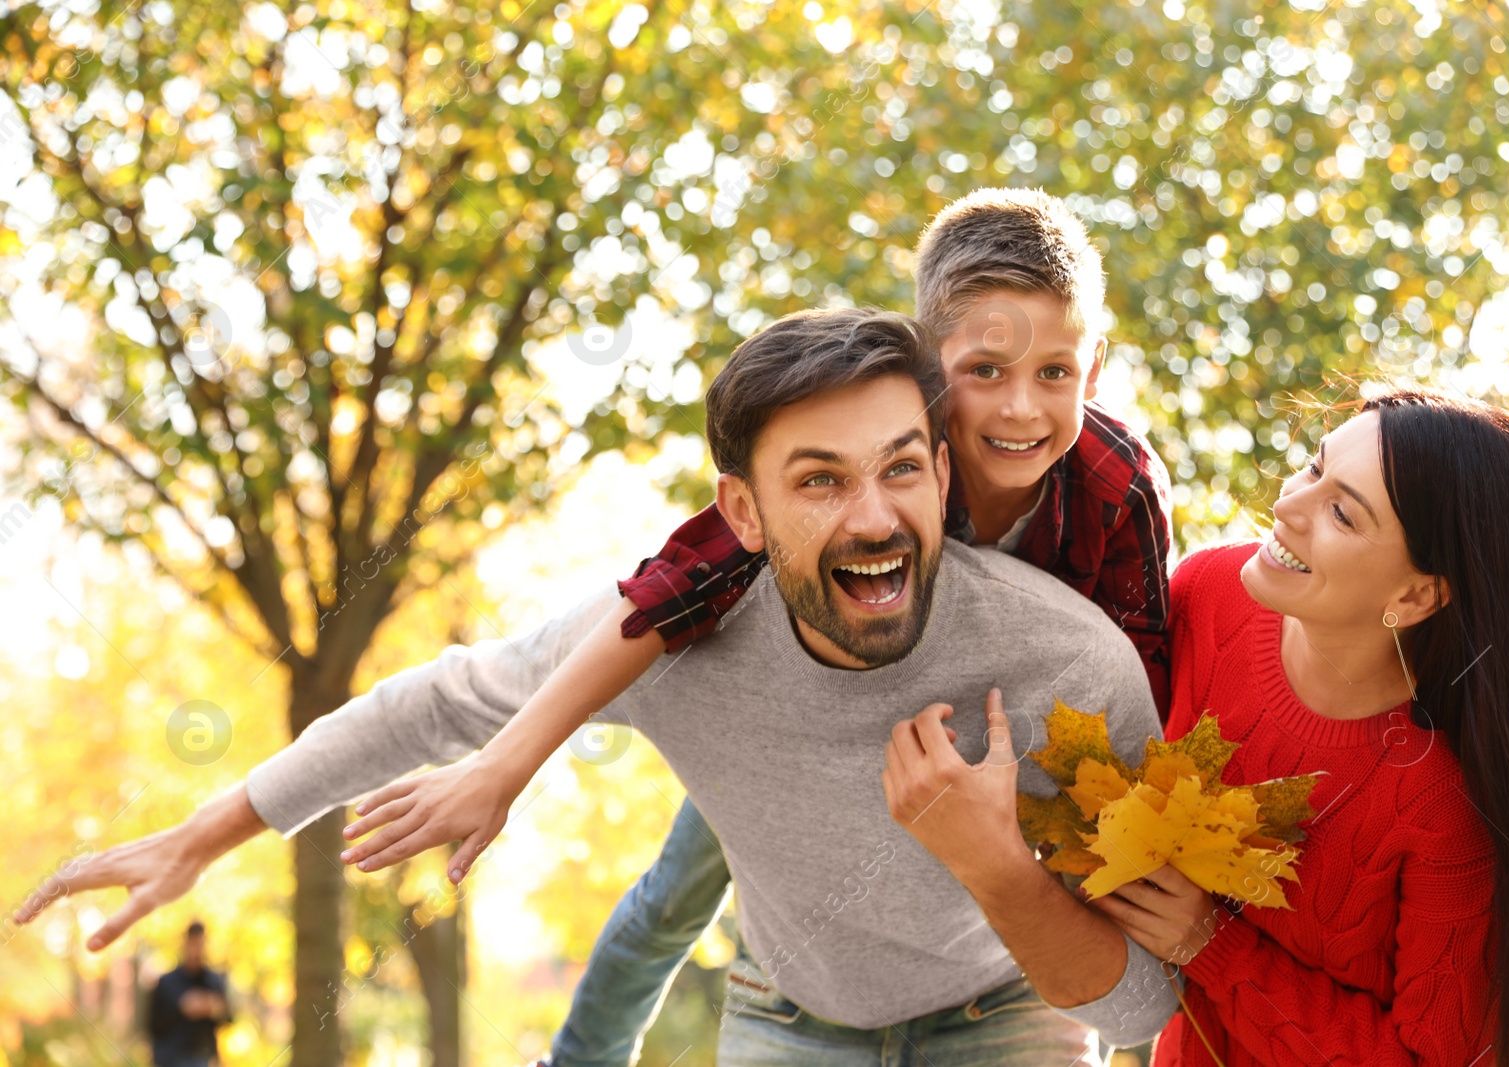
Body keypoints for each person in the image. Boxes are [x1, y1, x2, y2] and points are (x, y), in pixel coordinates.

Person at [18, 306, 1177, 1061]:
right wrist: (206, 832)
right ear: (741, 512)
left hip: (1009, 1014)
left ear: (940, 481)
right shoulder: (673, 639)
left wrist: (993, 864)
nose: (873, 517)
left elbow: (1139, 1008)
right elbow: (431, 702)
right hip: (792, 1018)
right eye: (818, 481)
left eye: (901, 471)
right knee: (652, 913)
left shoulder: (1067, 664)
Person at [336, 188, 1174, 1067]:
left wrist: (1085, 884)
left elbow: (1136, 695)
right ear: (931, 365)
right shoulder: (861, 446)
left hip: (979, 740)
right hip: (801, 713)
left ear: (1094, 366)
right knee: (676, 892)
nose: (1019, 410)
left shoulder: (1118, 486)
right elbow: (663, 598)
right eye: (986, 372)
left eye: (1055, 374)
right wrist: (507, 762)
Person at [894, 390, 1509, 1065]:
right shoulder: (1207, 595)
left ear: (1415, 595)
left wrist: (1212, 943)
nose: (1289, 506)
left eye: (1343, 515)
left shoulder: (1446, 810)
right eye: (1314, 467)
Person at [148, 921, 232, 1067]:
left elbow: (229, 1017)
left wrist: (213, 1007)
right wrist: (182, 1007)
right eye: (194, 944)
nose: (197, 950)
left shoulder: (213, 981)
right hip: (170, 1058)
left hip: (202, 1056)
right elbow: (152, 1023)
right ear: (185, 943)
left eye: (201, 944)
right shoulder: (167, 982)